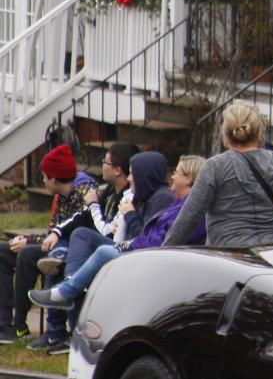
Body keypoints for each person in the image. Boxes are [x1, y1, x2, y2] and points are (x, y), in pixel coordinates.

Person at [29, 156, 208, 311]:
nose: (172, 176)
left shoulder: (184, 206)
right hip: (142, 249)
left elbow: (159, 241)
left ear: (188, 178)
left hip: (154, 258)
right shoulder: (179, 203)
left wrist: (128, 222)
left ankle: (67, 291)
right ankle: (69, 284)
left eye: (177, 172)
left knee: (102, 251)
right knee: (80, 234)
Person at [162, 100, 273, 247]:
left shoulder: (215, 167)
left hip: (230, 257)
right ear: (259, 132)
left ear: (225, 133)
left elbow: (188, 219)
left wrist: (162, 253)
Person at [0, 144, 95, 351]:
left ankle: (23, 325)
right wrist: (30, 238)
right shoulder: (62, 195)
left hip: (72, 252)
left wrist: (31, 242)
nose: (42, 180)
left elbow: (69, 235)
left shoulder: (83, 192)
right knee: (3, 250)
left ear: (54, 179)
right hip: (53, 246)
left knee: (27, 254)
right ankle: (4, 326)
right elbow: (53, 232)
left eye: (44, 176)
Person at [37, 141, 137, 275]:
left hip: (110, 247)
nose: (102, 165)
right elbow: (83, 215)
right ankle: (57, 283)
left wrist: (93, 205)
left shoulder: (127, 198)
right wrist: (57, 232)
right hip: (90, 243)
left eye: (105, 162)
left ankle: (68, 285)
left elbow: (107, 232)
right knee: (57, 246)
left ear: (117, 170)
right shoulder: (110, 190)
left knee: (79, 234)